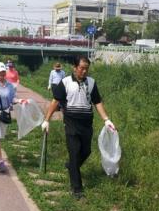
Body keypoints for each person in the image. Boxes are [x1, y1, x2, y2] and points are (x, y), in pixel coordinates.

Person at [41, 56, 116, 199]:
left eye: (86, 68)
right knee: (74, 152)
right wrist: (47, 120)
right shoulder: (66, 82)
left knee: (86, 151)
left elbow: (97, 102)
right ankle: (77, 188)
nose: (84, 71)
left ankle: (72, 167)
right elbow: (55, 101)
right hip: (71, 123)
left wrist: (106, 120)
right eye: (81, 68)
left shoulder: (92, 83)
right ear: (75, 68)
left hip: (87, 123)